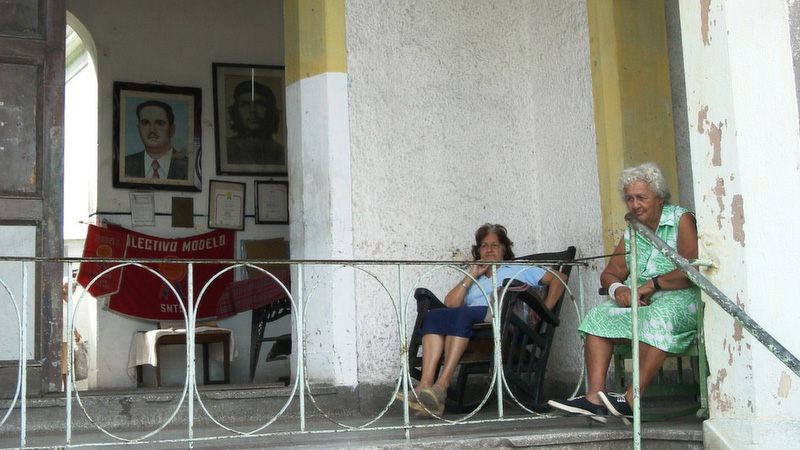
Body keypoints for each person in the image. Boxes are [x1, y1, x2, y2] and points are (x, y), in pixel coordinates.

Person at [548, 162, 700, 423]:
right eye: (629, 199)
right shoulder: (633, 229)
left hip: (680, 298)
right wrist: (619, 290)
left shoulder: (680, 219)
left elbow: (691, 268)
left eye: (641, 197)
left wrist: (652, 285)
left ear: (659, 198)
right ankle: (595, 398)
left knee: (658, 317)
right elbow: (610, 273)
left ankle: (630, 399)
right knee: (597, 316)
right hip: (640, 300)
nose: (634, 205)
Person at [403, 223, 567, 417]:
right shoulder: (475, 278)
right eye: (483, 245)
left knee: (461, 315)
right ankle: (425, 387)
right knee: (433, 317)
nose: (489, 249)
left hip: (504, 321)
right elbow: (450, 303)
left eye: (495, 245)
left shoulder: (517, 269)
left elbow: (560, 277)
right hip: (471, 322)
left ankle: (442, 386)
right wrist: (472, 274)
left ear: (504, 249)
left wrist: (544, 309)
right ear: (478, 250)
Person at [125, 100, 189, 180]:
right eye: (145, 123)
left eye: (159, 123)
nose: (152, 130)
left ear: (172, 129)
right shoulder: (124, 165)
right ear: (139, 128)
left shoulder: (188, 166)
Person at [225, 81, 285, 166]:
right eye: (245, 104)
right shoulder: (226, 148)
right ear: (236, 111)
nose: (252, 110)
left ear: (270, 110)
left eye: (260, 104)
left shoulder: (281, 151)